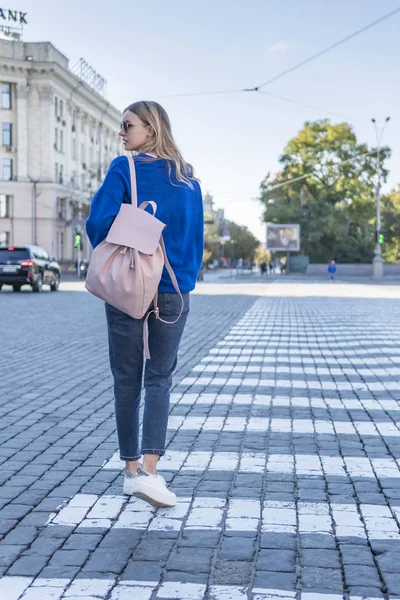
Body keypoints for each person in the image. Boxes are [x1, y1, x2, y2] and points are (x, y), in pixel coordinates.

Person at [86, 101, 204, 508]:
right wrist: (179, 281)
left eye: (128, 125)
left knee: (126, 378)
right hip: (174, 290)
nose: (122, 132)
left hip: (129, 285)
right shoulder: (189, 179)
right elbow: (193, 243)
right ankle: (151, 472)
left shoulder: (126, 168)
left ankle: (132, 471)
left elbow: (97, 222)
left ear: (151, 129)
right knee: (159, 379)